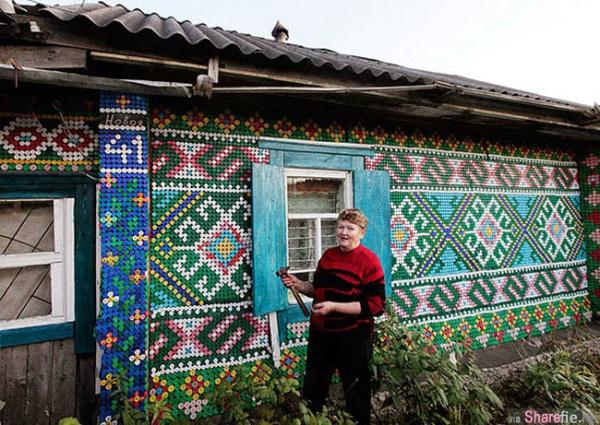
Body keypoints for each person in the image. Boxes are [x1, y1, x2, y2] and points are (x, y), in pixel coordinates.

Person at [281, 208, 385, 425]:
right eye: (340, 227)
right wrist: (298, 284)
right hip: (322, 334)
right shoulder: (328, 257)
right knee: (313, 389)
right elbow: (317, 289)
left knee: (356, 392)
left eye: (350, 228)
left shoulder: (369, 262)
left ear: (361, 233)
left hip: (354, 338)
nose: (344, 232)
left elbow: (375, 306)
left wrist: (334, 307)